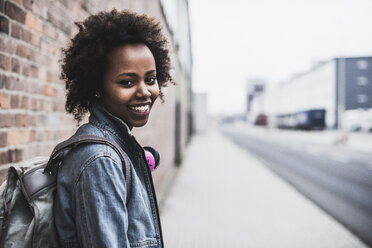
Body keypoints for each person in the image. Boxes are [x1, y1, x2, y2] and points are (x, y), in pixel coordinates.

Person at [54, 9, 173, 248]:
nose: (145, 91)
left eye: (150, 79)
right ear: (97, 87)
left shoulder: (118, 147)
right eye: (127, 82)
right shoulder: (101, 160)